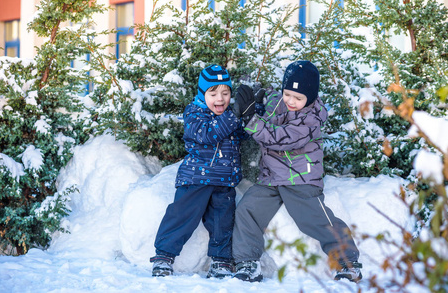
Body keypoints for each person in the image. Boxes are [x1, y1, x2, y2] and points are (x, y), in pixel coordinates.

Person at [231, 60, 362, 283]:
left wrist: (250, 119)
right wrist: (257, 95)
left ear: (310, 98)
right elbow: (269, 98)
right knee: (247, 210)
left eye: (298, 98)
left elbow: (279, 139)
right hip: (271, 177)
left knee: (314, 218)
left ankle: (348, 261)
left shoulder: (311, 120)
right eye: (287, 93)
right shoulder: (278, 100)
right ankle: (247, 262)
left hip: (300, 178)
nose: (291, 101)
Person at [150, 64, 246, 279]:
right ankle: (163, 256)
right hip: (196, 177)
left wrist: (251, 110)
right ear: (203, 93)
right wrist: (234, 117)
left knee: (223, 221)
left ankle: (221, 260)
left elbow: (243, 134)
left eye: (225, 93)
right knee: (182, 216)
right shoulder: (194, 112)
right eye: (213, 93)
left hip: (224, 180)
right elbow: (208, 134)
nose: (220, 99)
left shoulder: (230, 115)